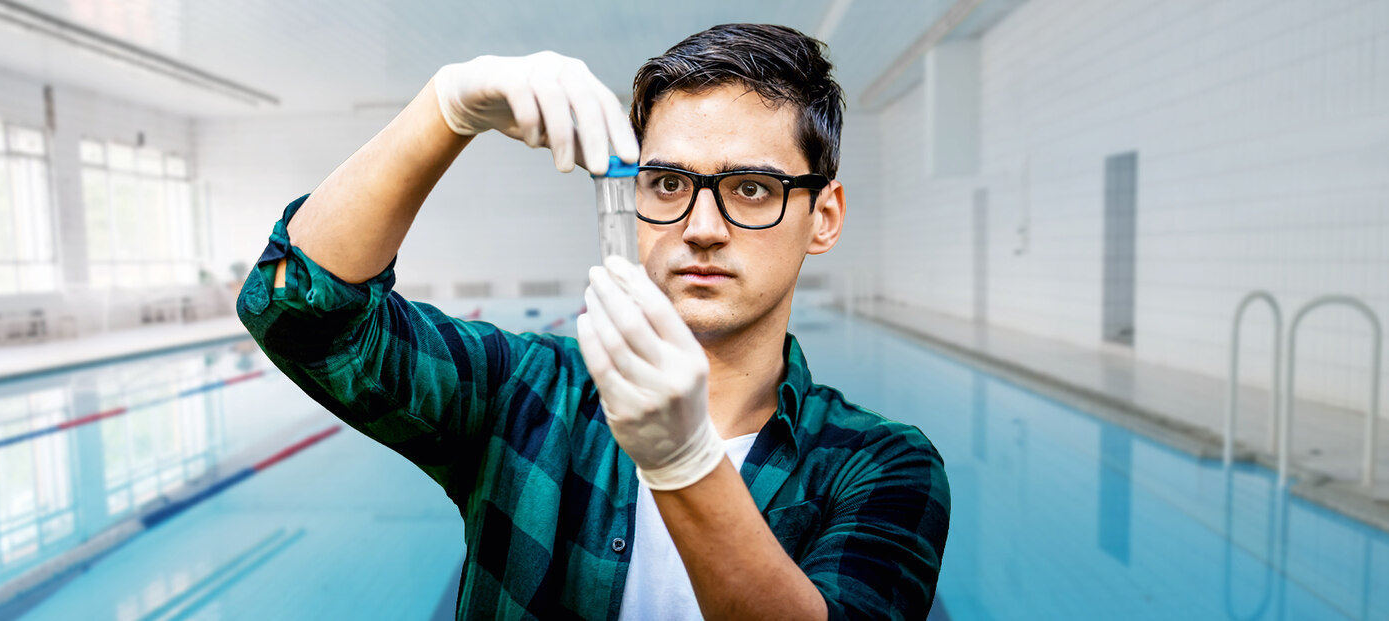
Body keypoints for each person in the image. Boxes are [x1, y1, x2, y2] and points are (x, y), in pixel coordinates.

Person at [237, 23, 949, 620]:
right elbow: (301, 313)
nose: (702, 227)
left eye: (752, 189)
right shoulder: (527, 395)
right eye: (668, 183)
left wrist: (685, 462)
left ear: (823, 217)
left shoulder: (881, 467)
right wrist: (445, 108)